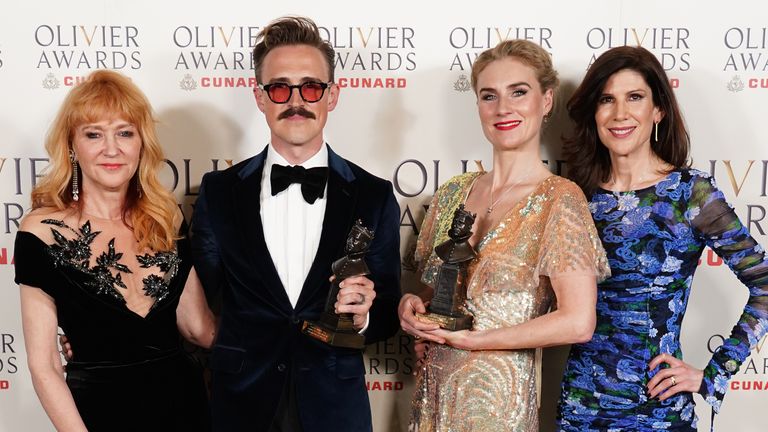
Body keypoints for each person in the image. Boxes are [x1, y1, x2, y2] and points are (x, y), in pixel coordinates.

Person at [190, 16, 401, 432]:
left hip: (334, 407)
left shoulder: (373, 195)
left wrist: (364, 318)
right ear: (260, 97)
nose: (296, 101)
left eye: (311, 87)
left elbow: (390, 311)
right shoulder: (219, 192)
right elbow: (193, 298)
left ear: (332, 95)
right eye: (280, 87)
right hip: (241, 404)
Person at [398, 39, 610, 431]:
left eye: (519, 92)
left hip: (499, 408)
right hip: (433, 399)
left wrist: (476, 341)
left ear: (546, 101)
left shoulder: (560, 200)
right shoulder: (451, 193)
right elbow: (440, 295)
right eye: (488, 96)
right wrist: (413, 305)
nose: (502, 109)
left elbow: (579, 321)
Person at [557, 45, 768, 431]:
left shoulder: (690, 192)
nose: (620, 113)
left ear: (658, 111)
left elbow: (765, 283)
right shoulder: (575, 196)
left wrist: (713, 372)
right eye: (607, 100)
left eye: (634, 97)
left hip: (658, 411)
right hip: (580, 409)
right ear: (594, 113)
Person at [14, 70, 215, 431]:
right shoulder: (40, 232)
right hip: (98, 415)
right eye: (94, 134)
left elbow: (198, 327)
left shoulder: (165, 219)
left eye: (125, 132)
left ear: (142, 143)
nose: (112, 149)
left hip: (186, 409)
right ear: (72, 146)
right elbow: (44, 365)